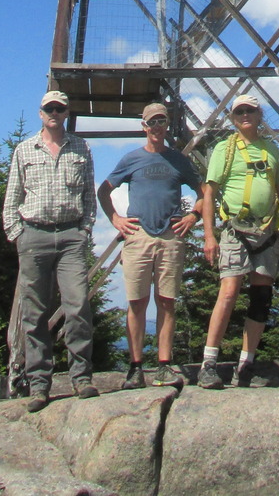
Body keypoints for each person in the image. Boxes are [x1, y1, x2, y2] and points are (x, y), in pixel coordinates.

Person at [2, 88, 100, 411]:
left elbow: (89, 195)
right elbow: (12, 198)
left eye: (59, 108)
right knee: (34, 313)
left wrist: (84, 229)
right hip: (34, 237)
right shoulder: (23, 150)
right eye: (49, 109)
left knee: (77, 305)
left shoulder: (81, 148)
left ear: (66, 113)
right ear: (41, 114)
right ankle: (39, 383)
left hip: (71, 237)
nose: (54, 114)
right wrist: (19, 235)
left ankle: (81, 377)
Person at [98, 102, 204, 389]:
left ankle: (164, 366)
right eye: (152, 122)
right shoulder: (131, 159)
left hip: (170, 236)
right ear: (144, 127)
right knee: (136, 301)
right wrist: (116, 219)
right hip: (139, 235)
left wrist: (193, 216)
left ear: (167, 125)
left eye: (162, 121)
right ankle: (135, 368)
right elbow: (103, 190)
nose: (157, 127)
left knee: (167, 301)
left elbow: (204, 191)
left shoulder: (179, 160)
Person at [197, 93, 279, 389]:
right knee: (229, 292)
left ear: (260, 115)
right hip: (236, 230)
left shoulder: (271, 150)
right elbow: (208, 193)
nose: (244, 116)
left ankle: (245, 366)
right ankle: (208, 363)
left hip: (267, 233)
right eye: (239, 112)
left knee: (261, 298)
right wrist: (210, 236)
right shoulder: (224, 149)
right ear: (233, 118)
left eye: (250, 111)